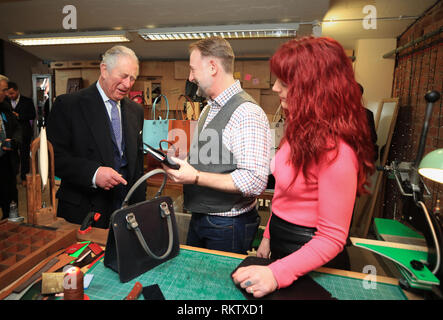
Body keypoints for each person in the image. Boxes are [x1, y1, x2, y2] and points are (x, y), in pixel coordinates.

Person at [232, 37, 376, 298]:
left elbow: (332, 237)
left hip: (313, 259)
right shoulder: (299, 131)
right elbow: (285, 193)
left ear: (315, 87)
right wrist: (268, 236)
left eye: (285, 82)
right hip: (282, 244)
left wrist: (276, 273)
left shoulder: (338, 150)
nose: (275, 88)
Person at [162, 36, 271, 254]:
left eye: (193, 70)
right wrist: (184, 161)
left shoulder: (246, 112)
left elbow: (255, 181)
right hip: (202, 217)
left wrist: (195, 177)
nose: (190, 77)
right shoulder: (207, 109)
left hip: (228, 226)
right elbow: (215, 159)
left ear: (212, 67)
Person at [47, 45, 146, 228]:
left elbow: (136, 163)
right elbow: (54, 159)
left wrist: (140, 207)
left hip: (125, 210)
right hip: (84, 210)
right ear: (104, 69)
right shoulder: (69, 105)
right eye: (123, 76)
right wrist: (93, 173)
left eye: (133, 78)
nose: (128, 84)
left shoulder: (136, 110)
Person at [0, 75, 22, 219]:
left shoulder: (5, 107)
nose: (6, 93)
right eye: (3, 90)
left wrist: (14, 141)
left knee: (9, 198)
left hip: (7, 163)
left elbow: (17, 129)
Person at [7, 81, 36, 186]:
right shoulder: (5, 101)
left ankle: (24, 178)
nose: (11, 96)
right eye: (9, 94)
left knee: (24, 156)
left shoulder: (27, 101)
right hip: (11, 134)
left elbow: (32, 115)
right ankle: (13, 177)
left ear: (17, 90)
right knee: (13, 156)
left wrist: (19, 116)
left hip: (24, 133)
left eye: (12, 93)